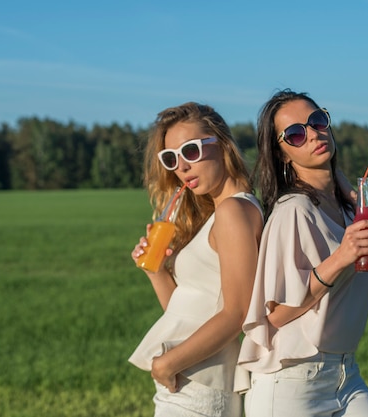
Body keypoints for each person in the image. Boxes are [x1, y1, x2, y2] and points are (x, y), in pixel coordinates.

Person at [238, 89, 368, 417]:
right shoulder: (293, 211)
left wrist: (361, 205)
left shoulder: (348, 210)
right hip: (292, 382)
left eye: (317, 121)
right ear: (283, 154)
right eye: (296, 134)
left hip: (344, 374)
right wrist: (340, 258)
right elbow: (275, 315)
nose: (313, 134)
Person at [129, 102, 264, 417]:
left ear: (222, 144)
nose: (181, 167)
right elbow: (188, 312)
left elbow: (237, 312)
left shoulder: (233, 211)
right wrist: (157, 271)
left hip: (197, 387)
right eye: (171, 158)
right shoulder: (220, 213)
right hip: (189, 383)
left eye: (190, 151)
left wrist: (167, 363)